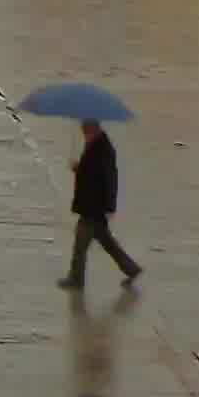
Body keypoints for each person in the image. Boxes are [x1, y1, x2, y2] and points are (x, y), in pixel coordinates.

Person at [59, 117, 140, 288]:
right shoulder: (96, 145)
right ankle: (131, 268)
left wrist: (109, 205)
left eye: (85, 128)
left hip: (93, 206)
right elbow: (92, 173)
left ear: (92, 128)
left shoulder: (102, 149)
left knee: (80, 246)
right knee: (107, 242)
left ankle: (76, 279)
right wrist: (79, 169)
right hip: (92, 205)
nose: (82, 131)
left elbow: (108, 178)